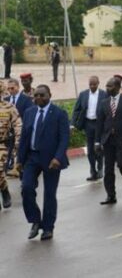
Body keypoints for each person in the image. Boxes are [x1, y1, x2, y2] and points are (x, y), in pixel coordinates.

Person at [16, 85, 69, 240]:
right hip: (32, 158)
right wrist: (20, 160)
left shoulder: (59, 114)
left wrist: (58, 158)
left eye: (42, 95)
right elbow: (24, 137)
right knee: (26, 188)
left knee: (49, 194)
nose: (38, 98)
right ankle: (35, 220)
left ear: (49, 95)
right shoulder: (29, 112)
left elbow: (64, 138)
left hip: (52, 159)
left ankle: (48, 228)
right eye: (36, 95)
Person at [95, 77, 122, 205]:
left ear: (118, 87)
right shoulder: (104, 102)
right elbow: (100, 124)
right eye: (106, 86)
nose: (107, 89)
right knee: (108, 169)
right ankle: (111, 195)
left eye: (110, 86)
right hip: (108, 140)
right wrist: (97, 141)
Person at [71, 76, 108, 181]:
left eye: (94, 84)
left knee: (98, 147)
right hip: (88, 124)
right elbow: (76, 110)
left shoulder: (104, 94)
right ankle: (93, 171)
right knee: (90, 149)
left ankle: (100, 167)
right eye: (90, 84)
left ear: (98, 83)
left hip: (99, 124)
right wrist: (73, 124)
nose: (92, 86)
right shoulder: (83, 95)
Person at [5, 78, 33, 178]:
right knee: (9, 150)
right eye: (8, 88)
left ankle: (20, 168)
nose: (10, 90)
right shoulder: (5, 100)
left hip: (21, 129)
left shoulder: (26, 100)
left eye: (12, 88)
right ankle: (10, 167)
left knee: (20, 149)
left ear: (18, 87)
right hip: (8, 131)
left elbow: (29, 115)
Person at [0, 81, 21, 209]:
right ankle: (3, 188)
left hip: (2, 145)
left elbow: (18, 125)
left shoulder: (9, 107)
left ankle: (4, 191)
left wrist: (18, 142)